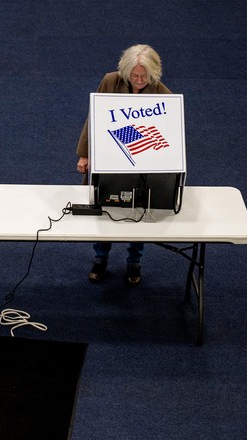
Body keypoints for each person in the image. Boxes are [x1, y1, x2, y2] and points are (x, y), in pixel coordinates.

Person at [75, 44, 172, 286]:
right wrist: (84, 154)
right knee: (105, 206)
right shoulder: (110, 81)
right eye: (134, 75)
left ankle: (134, 261)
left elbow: (169, 136)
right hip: (109, 159)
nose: (139, 81)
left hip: (142, 165)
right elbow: (93, 117)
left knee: (138, 210)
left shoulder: (163, 95)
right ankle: (100, 258)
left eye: (144, 76)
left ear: (153, 73)